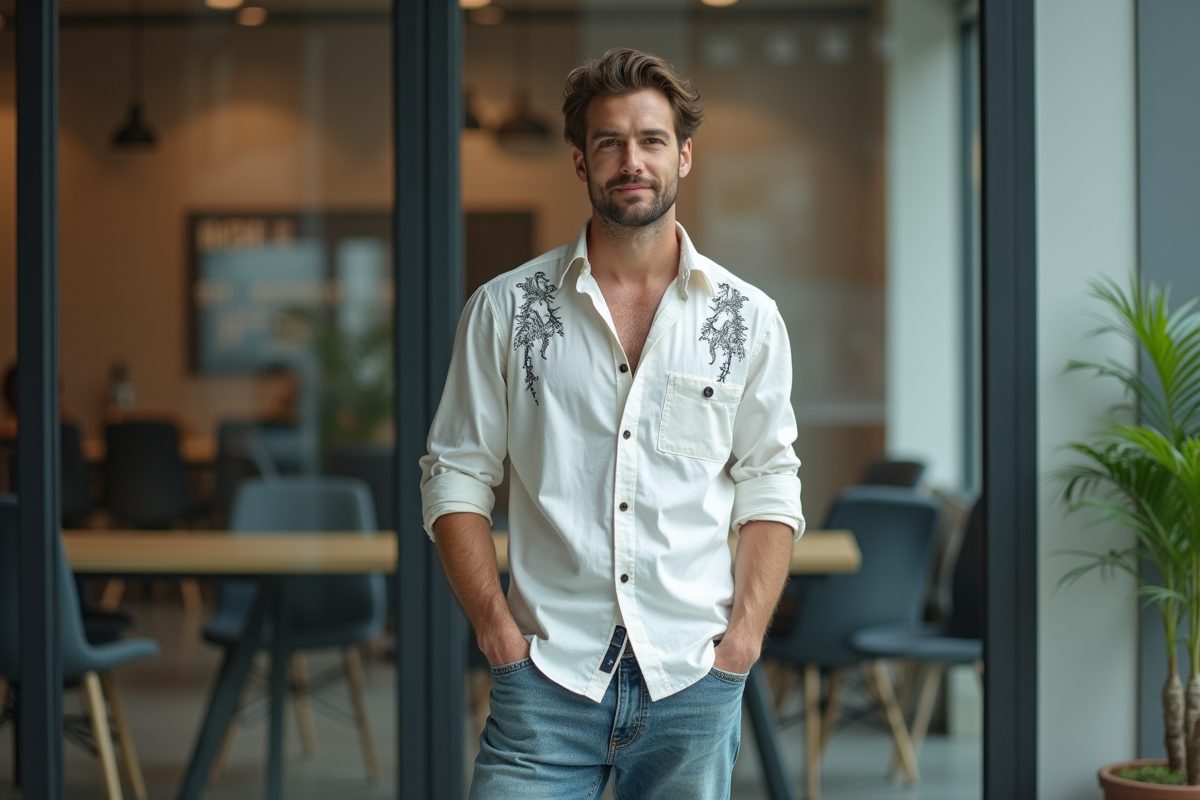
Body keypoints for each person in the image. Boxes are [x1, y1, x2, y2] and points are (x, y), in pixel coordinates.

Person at [420, 48, 804, 800]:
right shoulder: (505, 310)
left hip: (692, 679)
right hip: (545, 679)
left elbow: (770, 483)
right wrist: (498, 634)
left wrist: (743, 643)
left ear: (684, 156)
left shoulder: (746, 320)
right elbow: (454, 475)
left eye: (652, 140)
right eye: (610, 143)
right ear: (579, 159)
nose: (633, 160)